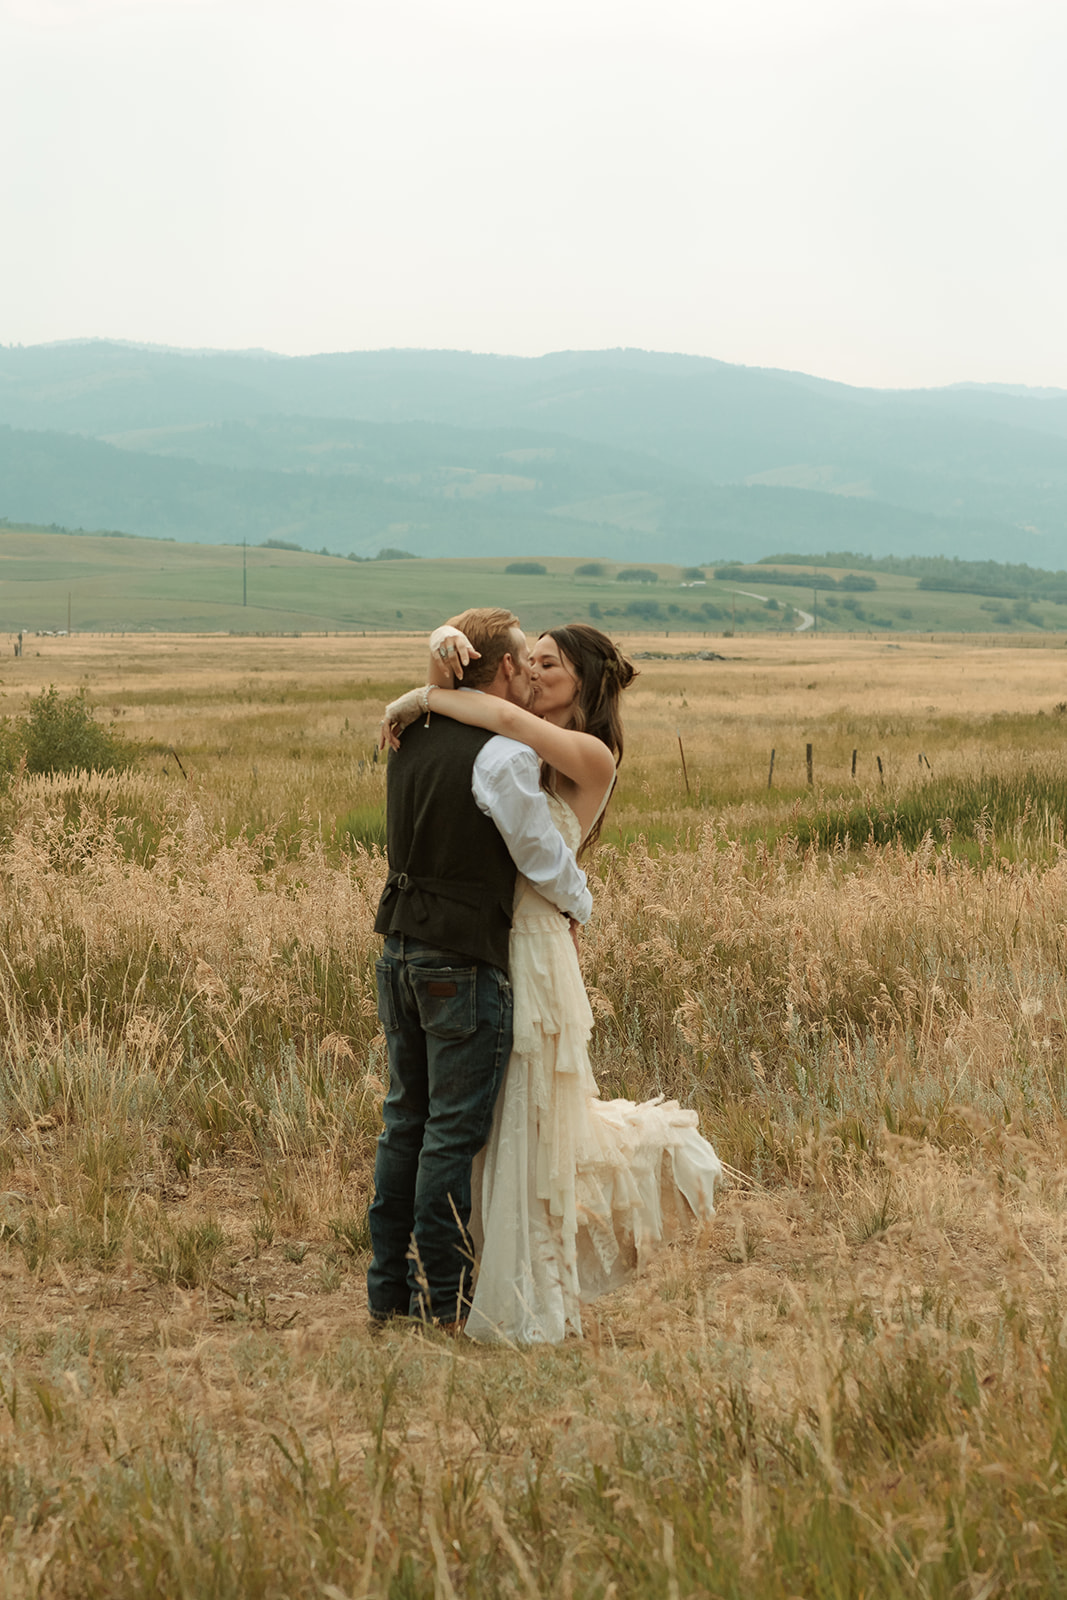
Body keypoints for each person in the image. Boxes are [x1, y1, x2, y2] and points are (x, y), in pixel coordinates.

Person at [382, 622, 722, 1344]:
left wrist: (418, 695)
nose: (532, 672)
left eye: (549, 664)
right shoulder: (511, 749)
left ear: (584, 686)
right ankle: (463, 1273)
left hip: (532, 949)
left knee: (524, 1117)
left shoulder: (587, 754)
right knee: (476, 1124)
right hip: (482, 940)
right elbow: (481, 705)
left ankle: (511, 1281)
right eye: (528, 660)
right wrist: (439, 649)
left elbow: (491, 709)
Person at [368, 607, 594, 1330]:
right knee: (450, 1136)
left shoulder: (411, 736)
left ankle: (387, 1292)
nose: (531, 670)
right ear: (502, 668)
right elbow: (537, 854)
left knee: (402, 1124)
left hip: (397, 944)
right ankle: (447, 1298)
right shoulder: (496, 753)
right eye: (525, 661)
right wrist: (580, 905)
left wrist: (429, 678)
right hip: (462, 957)